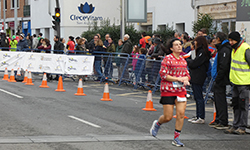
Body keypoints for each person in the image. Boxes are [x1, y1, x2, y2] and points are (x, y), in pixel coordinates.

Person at [150, 38, 190, 147]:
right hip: (168, 90)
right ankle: (158, 124)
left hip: (180, 91)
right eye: (176, 45)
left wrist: (186, 79)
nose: (179, 46)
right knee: (168, 117)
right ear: (171, 48)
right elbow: (163, 75)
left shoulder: (183, 60)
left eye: (180, 44)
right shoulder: (167, 59)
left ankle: (176, 138)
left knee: (181, 114)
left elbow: (187, 74)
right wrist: (178, 79)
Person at [224, 31, 250, 135]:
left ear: (237, 40)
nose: (230, 42)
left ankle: (242, 126)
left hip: (244, 82)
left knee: (243, 105)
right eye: (229, 40)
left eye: (232, 40)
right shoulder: (234, 49)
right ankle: (235, 125)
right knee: (235, 105)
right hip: (235, 81)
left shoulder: (245, 48)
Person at [186, 36, 211, 124]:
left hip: (199, 76)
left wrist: (188, 61)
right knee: (197, 97)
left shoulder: (202, 52)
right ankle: (198, 115)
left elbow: (195, 63)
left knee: (199, 97)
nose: (194, 43)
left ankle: (201, 116)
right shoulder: (200, 52)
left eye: (195, 41)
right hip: (196, 75)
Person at [210, 32, 232, 130]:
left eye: (215, 38)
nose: (213, 40)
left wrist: (218, 78)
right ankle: (219, 119)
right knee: (217, 100)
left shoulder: (225, 50)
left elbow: (223, 66)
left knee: (221, 100)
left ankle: (223, 121)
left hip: (221, 79)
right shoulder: (221, 49)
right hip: (218, 78)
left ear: (219, 39)